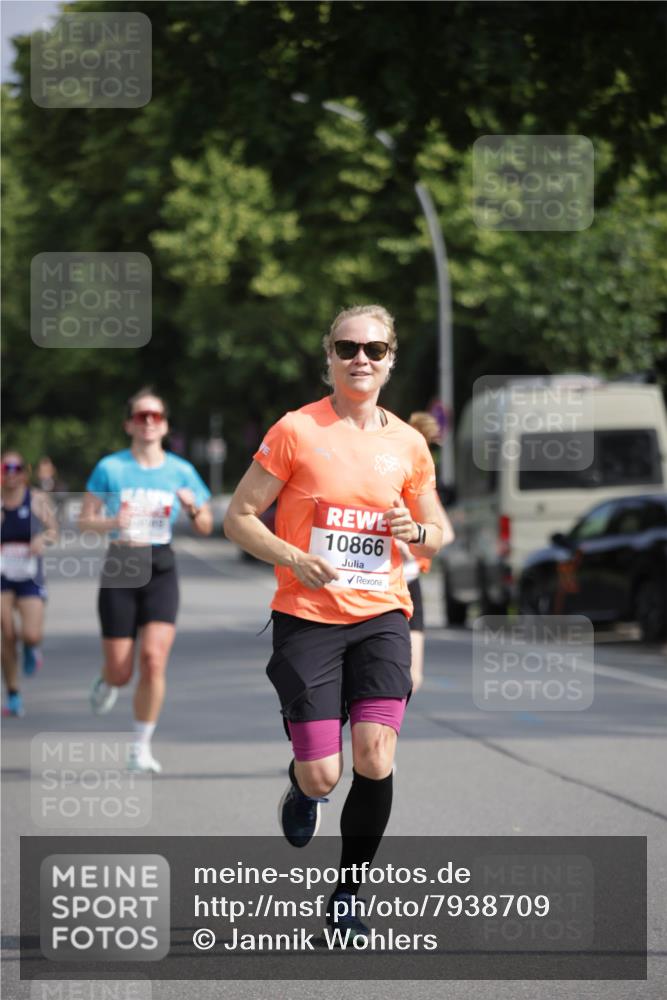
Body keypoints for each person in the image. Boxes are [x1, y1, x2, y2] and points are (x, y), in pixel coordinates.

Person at [224, 304, 454, 937]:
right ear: (328, 357)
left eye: (374, 350)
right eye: (348, 347)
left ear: (390, 360)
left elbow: (439, 533)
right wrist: (292, 555)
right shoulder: (296, 430)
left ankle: (350, 890)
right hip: (307, 617)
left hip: (383, 613)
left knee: (376, 755)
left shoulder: (407, 443)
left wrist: (420, 530)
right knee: (324, 773)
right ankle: (303, 793)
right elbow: (239, 517)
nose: (361, 358)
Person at [79, 388, 213, 773]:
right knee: (122, 671)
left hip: (161, 566)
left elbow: (204, 525)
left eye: (156, 416)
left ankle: (140, 746)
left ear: (165, 424)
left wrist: (192, 508)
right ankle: (107, 680)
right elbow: (85, 521)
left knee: (153, 660)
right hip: (121, 564)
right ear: (129, 424)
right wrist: (110, 522)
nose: (149, 422)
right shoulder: (110, 468)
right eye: (141, 416)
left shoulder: (181, 470)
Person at [1, 451, 58, 716]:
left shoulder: (36, 499)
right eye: (6, 467)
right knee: (6, 635)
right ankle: (13, 694)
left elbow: (54, 531)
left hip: (29, 575)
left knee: (30, 634)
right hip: (2, 575)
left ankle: (32, 649)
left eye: (17, 467)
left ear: (25, 471)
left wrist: (41, 540)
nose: (11, 472)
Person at [396, 411, 443, 692]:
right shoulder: (379, 480)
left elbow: (443, 533)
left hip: (409, 580)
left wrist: (413, 541)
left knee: (413, 677)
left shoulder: (422, 490)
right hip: (378, 583)